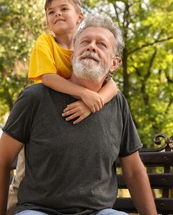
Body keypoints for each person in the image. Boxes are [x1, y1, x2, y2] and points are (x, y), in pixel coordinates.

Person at [0, 15, 157, 215]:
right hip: (39, 211)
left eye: (101, 44)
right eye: (85, 42)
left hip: (99, 212)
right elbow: (2, 160)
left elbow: (134, 171)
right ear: (73, 54)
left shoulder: (118, 104)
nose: (92, 47)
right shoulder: (35, 97)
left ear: (114, 63)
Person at [6, 0, 118, 214]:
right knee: (23, 177)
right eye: (50, 12)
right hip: (42, 121)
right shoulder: (45, 42)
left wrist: (91, 104)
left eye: (63, 9)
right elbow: (47, 77)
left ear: (79, 16)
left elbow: (112, 86)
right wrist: (84, 94)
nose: (56, 13)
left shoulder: (86, 45)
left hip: (77, 124)